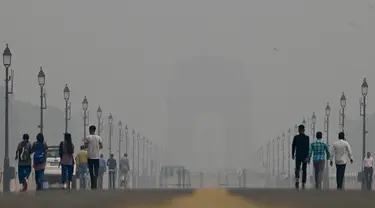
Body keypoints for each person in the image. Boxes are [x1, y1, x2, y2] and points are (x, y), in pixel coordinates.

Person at [83, 125, 103, 189]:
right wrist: (97, 148)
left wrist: (89, 147)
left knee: (91, 171)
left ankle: (92, 185)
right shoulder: (98, 137)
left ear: (90, 130)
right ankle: (95, 183)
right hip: (97, 156)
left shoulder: (88, 137)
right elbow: (101, 146)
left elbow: (85, 146)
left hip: (90, 157)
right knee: (96, 171)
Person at [292, 125, 310, 189]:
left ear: (299, 130)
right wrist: (308, 156)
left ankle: (297, 178)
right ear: (304, 130)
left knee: (297, 167)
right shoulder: (307, 138)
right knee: (304, 168)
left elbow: (293, 146)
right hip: (305, 155)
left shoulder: (296, 137)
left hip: (298, 154)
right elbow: (308, 148)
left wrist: (292, 154)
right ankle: (304, 180)